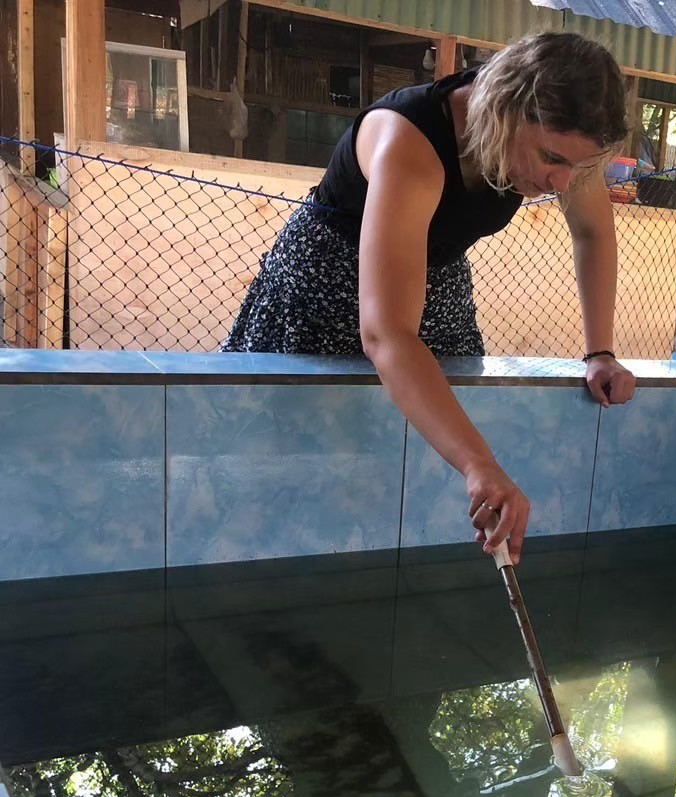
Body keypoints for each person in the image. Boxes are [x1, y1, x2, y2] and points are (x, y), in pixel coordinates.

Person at [223, 32, 638, 564]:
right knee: (292, 448)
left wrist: (600, 351)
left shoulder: (563, 147)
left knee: (429, 446)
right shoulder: (409, 139)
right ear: (503, 111)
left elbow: (593, 232)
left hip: (438, 281)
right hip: (326, 279)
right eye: (551, 159)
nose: (562, 182)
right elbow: (388, 335)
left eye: (580, 169)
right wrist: (479, 464)